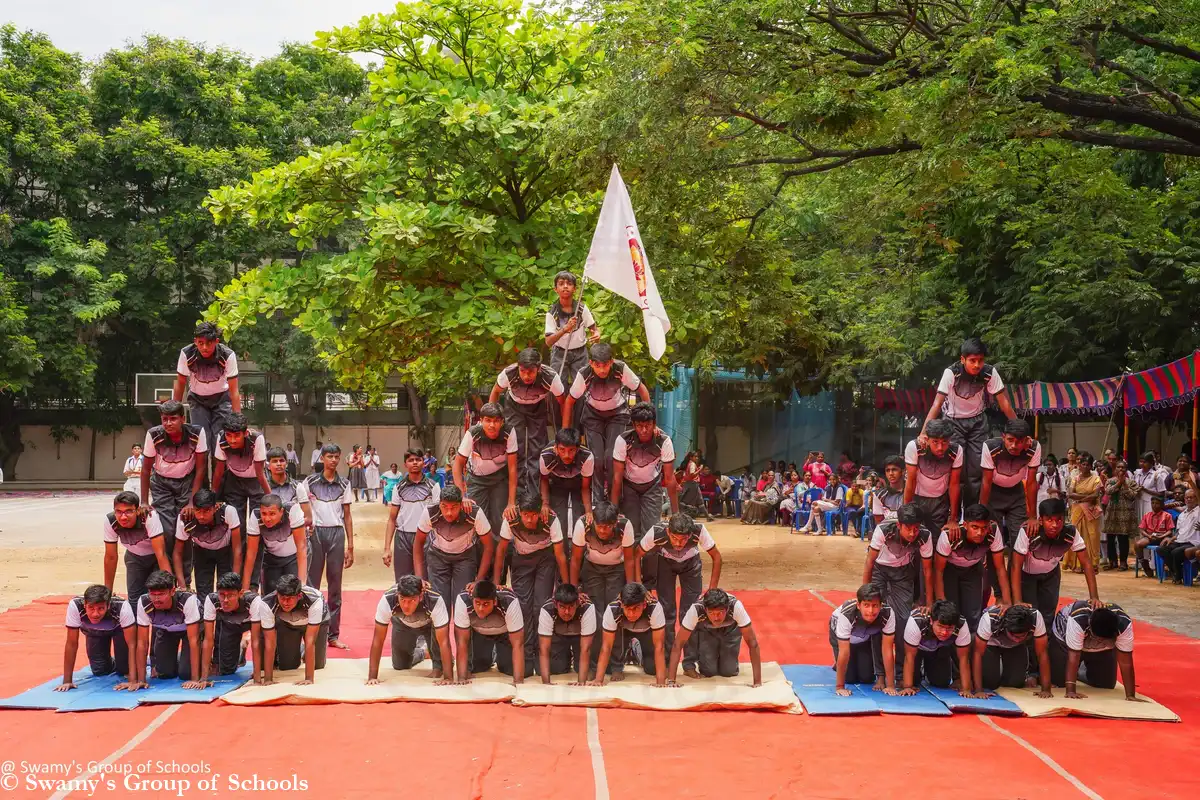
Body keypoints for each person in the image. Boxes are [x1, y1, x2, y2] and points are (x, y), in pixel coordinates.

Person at [919, 337, 1016, 505]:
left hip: (978, 422)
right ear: (962, 359)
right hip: (953, 422)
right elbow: (937, 403)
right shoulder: (951, 373)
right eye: (972, 361)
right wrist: (923, 433)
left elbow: (1004, 402)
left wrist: (1018, 430)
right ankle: (953, 512)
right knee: (958, 470)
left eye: (980, 360)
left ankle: (973, 512)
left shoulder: (988, 372)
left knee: (976, 470)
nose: (977, 365)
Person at [562, 342, 651, 503]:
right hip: (592, 416)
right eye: (598, 366)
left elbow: (642, 390)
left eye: (605, 365)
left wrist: (651, 421)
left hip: (617, 415)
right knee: (596, 458)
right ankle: (597, 501)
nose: (602, 370)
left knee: (611, 458)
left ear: (612, 361)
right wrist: (564, 433)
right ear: (591, 363)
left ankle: (614, 500)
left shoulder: (620, 369)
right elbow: (569, 401)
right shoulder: (584, 374)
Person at [637, 512, 722, 678]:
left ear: (690, 535)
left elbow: (717, 557)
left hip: (691, 564)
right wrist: (639, 585)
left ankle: (689, 664)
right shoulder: (657, 532)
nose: (678, 543)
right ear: (668, 532)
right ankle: (668, 662)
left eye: (683, 539)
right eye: (674, 538)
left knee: (690, 614)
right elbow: (636, 555)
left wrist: (712, 589)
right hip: (665, 564)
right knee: (667, 613)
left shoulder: (699, 530)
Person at [495, 491, 569, 660]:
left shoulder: (550, 519)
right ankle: (526, 654)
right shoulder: (511, 518)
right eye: (525, 515)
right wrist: (495, 582)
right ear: (519, 511)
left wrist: (567, 586)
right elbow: (500, 550)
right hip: (521, 560)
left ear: (540, 511)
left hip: (545, 560)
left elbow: (560, 556)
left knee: (541, 606)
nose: (529, 519)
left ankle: (541, 652)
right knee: (523, 607)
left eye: (533, 515)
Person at [141, 399, 207, 585]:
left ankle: (184, 580)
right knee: (167, 531)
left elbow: (201, 469)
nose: (168, 423)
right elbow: (146, 470)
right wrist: (144, 501)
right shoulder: (154, 435)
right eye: (164, 419)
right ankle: (165, 579)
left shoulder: (196, 433)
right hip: (162, 484)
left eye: (173, 419)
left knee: (185, 529)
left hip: (187, 482)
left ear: (182, 418)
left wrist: (192, 501)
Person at [1010, 498, 1099, 627]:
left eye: (1059, 520)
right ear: (1041, 520)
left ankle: (1047, 643)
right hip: (1027, 577)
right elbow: (1015, 565)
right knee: (1029, 614)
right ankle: (1029, 646)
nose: (1054, 525)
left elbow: (1086, 563)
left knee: (1048, 614)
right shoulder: (1028, 532)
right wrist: (1017, 600)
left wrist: (1094, 596)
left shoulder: (1071, 533)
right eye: (1049, 520)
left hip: (1051, 575)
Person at [863, 503, 934, 663]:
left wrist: (929, 603)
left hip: (903, 572)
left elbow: (928, 570)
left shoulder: (924, 535)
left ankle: (901, 668)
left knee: (903, 618)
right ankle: (878, 668)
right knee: (876, 614)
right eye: (908, 528)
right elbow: (869, 561)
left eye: (916, 528)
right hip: (879, 570)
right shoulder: (883, 529)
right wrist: (865, 594)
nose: (912, 533)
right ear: (898, 525)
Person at [489, 348, 566, 490]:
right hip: (514, 407)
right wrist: (491, 417)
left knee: (537, 447)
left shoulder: (550, 377)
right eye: (523, 371)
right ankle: (516, 490)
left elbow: (563, 402)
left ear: (539, 368)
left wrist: (565, 429)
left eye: (530, 372)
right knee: (515, 444)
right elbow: (495, 391)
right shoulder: (509, 373)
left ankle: (535, 489)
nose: (526, 376)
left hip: (537, 407)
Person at [304, 443, 355, 650]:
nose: (333, 460)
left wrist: (351, 546)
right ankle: (311, 633)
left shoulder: (344, 484)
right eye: (329, 456)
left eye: (336, 456)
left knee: (335, 587)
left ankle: (333, 635)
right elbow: (303, 509)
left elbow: (348, 515)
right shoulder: (310, 482)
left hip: (336, 533)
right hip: (316, 534)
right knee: (312, 586)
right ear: (322, 458)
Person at [454, 402, 520, 558]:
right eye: (488, 420)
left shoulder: (509, 433)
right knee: (477, 520)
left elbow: (512, 469)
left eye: (496, 421)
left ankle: (499, 575)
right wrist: (462, 496)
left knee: (500, 522)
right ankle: (479, 571)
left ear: (502, 422)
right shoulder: (473, 433)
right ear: (481, 420)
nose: (492, 425)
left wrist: (511, 502)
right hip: (477, 480)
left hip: (500, 480)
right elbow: (457, 464)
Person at [414, 485, 493, 608]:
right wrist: (420, 578)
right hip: (437, 557)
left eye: (454, 507)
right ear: (439, 504)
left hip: (465, 558)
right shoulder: (430, 511)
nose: (449, 512)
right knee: (438, 603)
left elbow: (488, 546)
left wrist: (479, 579)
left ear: (461, 505)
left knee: (462, 602)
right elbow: (418, 543)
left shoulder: (474, 512)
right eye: (444, 507)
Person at [934, 503, 1009, 631]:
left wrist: (1007, 601)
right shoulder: (949, 535)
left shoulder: (993, 531)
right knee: (951, 610)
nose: (980, 533)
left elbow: (1000, 567)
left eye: (984, 528)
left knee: (973, 614)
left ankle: (972, 645)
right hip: (949, 571)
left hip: (973, 569)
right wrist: (941, 603)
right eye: (975, 527)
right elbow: (938, 571)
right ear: (965, 525)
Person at [611, 401, 680, 540]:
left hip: (652, 487)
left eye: (647, 425)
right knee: (631, 531)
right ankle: (634, 561)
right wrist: (613, 510)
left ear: (654, 424)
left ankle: (649, 561)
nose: (643, 430)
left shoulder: (664, 441)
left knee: (651, 532)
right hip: (629, 486)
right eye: (639, 426)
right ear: (634, 425)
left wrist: (675, 513)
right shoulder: (623, 440)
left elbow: (670, 478)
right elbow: (617, 477)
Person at [172, 321, 241, 456]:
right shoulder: (187, 353)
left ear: (216, 341)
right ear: (195, 341)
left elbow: (234, 390)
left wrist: (238, 418)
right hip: (197, 400)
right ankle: (201, 477)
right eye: (200, 343)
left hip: (221, 399)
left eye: (209, 343)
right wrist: (175, 411)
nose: (204, 347)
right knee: (201, 440)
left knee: (219, 442)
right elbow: (180, 382)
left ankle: (219, 477)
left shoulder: (227, 355)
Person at [668, 588, 762, 686]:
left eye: (720, 613)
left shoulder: (736, 606)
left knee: (728, 671)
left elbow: (753, 643)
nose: (716, 618)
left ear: (727, 608)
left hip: (730, 630)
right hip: (706, 630)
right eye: (711, 613)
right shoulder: (696, 609)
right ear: (705, 609)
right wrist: (671, 681)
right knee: (709, 672)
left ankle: (727, 659)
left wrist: (757, 682)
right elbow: (677, 644)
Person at [1050, 601, 1141, 700]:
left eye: (1105, 641)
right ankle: (1075, 668)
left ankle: (1082, 671)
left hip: (1098, 648)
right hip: (1064, 643)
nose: (1100, 643)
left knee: (1105, 684)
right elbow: (1073, 657)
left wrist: (1130, 695)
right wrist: (1071, 691)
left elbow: (1126, 662)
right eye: (1098, 640)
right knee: (1059, 682)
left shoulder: (1124, 624)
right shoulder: (1078, 619)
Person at [210, 414, 269, 566]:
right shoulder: (222, 439)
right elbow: (218, 471)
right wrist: (213, 497)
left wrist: (271, 498)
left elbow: (260, 474)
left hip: (256, 481)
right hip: (234, 481)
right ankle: (237, 571)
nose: (232, 440)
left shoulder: (257, 440)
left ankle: (254, 580)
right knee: (237, 527)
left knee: (256, 527)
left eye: (237, 435)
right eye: (229, 435)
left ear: (245, 433)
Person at [369, 574, 452, 681]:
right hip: (403, 624)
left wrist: (448, 678)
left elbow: (444, 641)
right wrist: (372, 677)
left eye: (412, 600)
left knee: (439, 669)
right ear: (397, 594)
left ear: (421, 596)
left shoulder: (434, 600)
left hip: (430, 626)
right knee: (400, 665)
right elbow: (378, 639)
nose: (406, 606)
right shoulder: (388, 599)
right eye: (402, 599)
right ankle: (423, 652)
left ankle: (436, 658)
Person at [56, 585, 136, 691]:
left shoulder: (122, 606)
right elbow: (72, 643)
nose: (95, 614)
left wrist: (133, 680)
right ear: (85, 605)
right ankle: (114, 662)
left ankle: (126, 662)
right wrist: (67, 681)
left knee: (124, 669)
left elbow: (132, 644)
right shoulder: (75, 605)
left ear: (108, 606)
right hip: (93, 632)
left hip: (119, 630)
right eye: (91, 608)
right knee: (100, 670)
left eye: (101, 608)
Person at [590, 582, 668, 685]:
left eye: (636, 608)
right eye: (627, 608)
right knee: (609, 669)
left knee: (652, 669)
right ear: (622, 604)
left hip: (646, 631)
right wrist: (598, 680)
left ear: (644, 605)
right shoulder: (613, 608)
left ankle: (636, 651)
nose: (631, 614)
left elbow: (659, 646)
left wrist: (660, 682)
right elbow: (606, 646)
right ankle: (626, 653)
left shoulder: (654, 607)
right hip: (623, 631)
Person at [133, 570, 202, 686]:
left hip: (190, 631)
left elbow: (194, 641)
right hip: (166, 631)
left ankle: (200, 657)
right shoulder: (144, 602)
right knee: (164, 673)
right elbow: (142, 642)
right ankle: (179, 657)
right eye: (153, 594)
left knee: (186, 674)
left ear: (172, 591)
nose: (156, 599)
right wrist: (141, 680)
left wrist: (195, 679)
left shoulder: (187, 600)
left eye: (161, 594)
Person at [979, 418, 1041, 546]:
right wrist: (982, 515)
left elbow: (1031, 482)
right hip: (993, 493)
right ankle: (994, 566)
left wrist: (1033, 517)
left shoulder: (1034, 448)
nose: (1013, 446)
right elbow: (986, 481)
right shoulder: (990, 447)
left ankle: (1016, 567)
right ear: (1003, 437)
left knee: (1020, 536)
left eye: (1019, 442)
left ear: (1027, 441)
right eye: (1010, 440)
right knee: (993, 536)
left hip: (1016, 494)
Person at [453, 580, 527, 684]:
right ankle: (489, 655)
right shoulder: (463, 599)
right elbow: (461, 642)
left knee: (509, 668)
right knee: (478, 666)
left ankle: (498, 653)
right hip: (479, 633)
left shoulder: (509, 601)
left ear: (495, 601)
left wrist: (518, 682)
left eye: (486, 604)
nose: (480, 608)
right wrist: (461, 679)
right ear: (472, 599)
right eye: (477, 603)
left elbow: (518, 644)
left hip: (504, 634)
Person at [383, 449, 441, 584]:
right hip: (403, 538)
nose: (415, 462)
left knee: (426, 581)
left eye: (418, 459)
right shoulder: (398, 488)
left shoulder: (433, 487)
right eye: (411, 460)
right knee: (403, 582)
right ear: (405, 465)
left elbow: (439, 517)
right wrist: (387, 549)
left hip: (427, 538)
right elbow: (392, 519)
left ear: (423, 463)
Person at [199, 571, 269, 680]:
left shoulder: (253, 600)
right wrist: (203, 678)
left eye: (230, 595)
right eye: (222, 595)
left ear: (240, 594)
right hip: (230, 625)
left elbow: (255, 641)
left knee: (266, 666)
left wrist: (257, 674)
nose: (225, 600)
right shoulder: (212, 600)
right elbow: (208, 640)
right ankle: (241, 649)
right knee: (226, 670)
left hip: (253, 625)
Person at [259, 575, 329, 683]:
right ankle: (299, 648)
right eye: (282, 598)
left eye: (290, 599)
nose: (285, 603)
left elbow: (310, 642)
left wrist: (309, 679)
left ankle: (303, 650)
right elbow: (269, 643)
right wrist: (268, 679)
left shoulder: (314, 600)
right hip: (288, 624)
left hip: (316, 623)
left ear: (299, 595)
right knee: (288, 666)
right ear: (277, 594)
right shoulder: (267, 604)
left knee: (317, 665)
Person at [828, 585, 897, 694]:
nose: (870, 611)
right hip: (843, 638)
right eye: (866, 605)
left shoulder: (888, 614)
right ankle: (838, 663)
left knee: (867, 678)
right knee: (850, 678)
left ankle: (859, 657)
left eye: (875, 606)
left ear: (881, 605)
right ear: (858, 605)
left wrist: (891, 686)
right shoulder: (847, 615)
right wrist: (840, 687)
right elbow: (844, 652)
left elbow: (887, 650)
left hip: (864, 637)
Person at [174, 488, 241, 599]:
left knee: (226, 592)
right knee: (203, 596)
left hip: (225, 552)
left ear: (215, 508)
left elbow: (237, 548)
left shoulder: (228, 512)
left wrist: (236, 579)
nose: (201, 516)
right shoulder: (185, 519)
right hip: (201, 553)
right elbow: (177, 553)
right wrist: (182, 586)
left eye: (206, 511)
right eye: (198, 511)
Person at [103, 491, 170, 600]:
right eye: (119, 512)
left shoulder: (149, 517)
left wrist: (169, 586)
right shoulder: (110, 521)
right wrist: (107, 591)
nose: (123, 517)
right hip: (134, 557)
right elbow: (111, 557)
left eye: (128, 511)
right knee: (134, 599)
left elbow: (161, 554)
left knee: (159, 594)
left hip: (156, 558)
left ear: (138, 510)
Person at [973, 604, 1051, 696]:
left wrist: (1046, 689)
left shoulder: (1035, 617)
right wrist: (978, 691)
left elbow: (1042, 653)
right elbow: (978, 654)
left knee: (1015, 683)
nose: (1017, 639)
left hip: (1017, 647)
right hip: (990, 644)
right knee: (989, 683)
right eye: (1014, 635)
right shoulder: (990, 619)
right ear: (1005, 627)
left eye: (1021, 636)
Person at [899, 600, 973, 694]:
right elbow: (909, 656)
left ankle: (928, 670)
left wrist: (966, 689)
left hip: (939, 648)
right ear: (931, 621)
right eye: (940, 626)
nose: (944, 632)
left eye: (949, 628)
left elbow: (964, 658)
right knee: (913, 681)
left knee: (941, 682)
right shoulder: (917, 621)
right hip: (916, 649)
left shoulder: (961, 624)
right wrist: (907, 687)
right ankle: (919, 670)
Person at [904, 418, 963, 535]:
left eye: (945, 442)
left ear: (950, 440)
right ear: (927, 439)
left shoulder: (956, 451)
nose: (940, 447)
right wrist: (905, 512)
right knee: (915, 536)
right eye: (935, 442)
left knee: (937, 539)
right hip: (917, 498)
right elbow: (911, 481)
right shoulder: (914, 447)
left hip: (940, 501)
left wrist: (953, 518)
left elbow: (954, 484)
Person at [545, 270, 600, 388]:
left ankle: (580, 407)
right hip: (559, 352)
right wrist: (564, 329)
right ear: (555, 289)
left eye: (569, 283)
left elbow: (593, 328)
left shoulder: (581, 309)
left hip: (580, 352)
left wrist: (596, 333)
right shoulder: (552, 313)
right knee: (558, 387)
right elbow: (548, 342)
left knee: (582, 386)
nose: (565, 286)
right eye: (561, 283)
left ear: (574, 289)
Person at [243, 494, 307, 596]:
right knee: (270, 595)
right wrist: (245, 588)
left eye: (272, 514)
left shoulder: (292, 510)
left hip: (295, 556)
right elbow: (251, 553)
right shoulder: (255, 516)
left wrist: (302, 584)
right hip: (272, 558)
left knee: (292, 591)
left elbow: (302, 546)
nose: (267, 518)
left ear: (281, 512)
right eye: (264, 513)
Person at [539, 427, 594, 540]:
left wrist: (588, 511)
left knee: (580, 518)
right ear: (556, 447)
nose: (566, 455)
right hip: (557, 483)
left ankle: (578, 554)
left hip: (578, 484)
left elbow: (585, 487)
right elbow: (544, 479)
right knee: (558, 518)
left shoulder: (586, 457)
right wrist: (545, 503)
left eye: (571, 450)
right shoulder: (546, 456)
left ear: (578, 449)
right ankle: (560, 553)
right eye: (562, 450)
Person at [537, 582, 597, 684]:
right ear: (555, 604)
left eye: (571, 607)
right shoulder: (547, 609)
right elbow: (544, 648)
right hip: (559, 636)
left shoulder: (587, 607)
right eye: (562, 607)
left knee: (586, 672)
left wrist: (581, 683)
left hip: (580, 637)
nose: (567, 612)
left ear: (577, 603)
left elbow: (586, 649)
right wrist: (546, 683)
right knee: (553, 668)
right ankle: (566, 657)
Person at [1065, 453, 1103, 573]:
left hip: (1091, 512)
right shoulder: (1075, 478)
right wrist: (1087, 497)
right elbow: (1070, 494)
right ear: (1079, 465)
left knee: (1092, 537)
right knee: (1076, 535)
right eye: (1083, 464)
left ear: (1091, 466)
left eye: (1088, 465)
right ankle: (1076, 564)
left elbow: (1095, 495)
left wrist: (1080, 498)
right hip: (1077, 511)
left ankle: (1092, 564)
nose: (1085, 467)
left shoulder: (1096, 478)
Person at [1158, 488, 1200, 583]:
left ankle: (1177, 575)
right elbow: (1178, 532)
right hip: (1179, 541)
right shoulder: (1182, 515)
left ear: (1196, 499)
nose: (1189, 499)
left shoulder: (1198, 512)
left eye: (1191, 497)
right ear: (1184, 499)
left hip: (1192, 542)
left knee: (1175, 552)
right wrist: (1170, 538)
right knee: (1161, 549)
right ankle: (1177, 573)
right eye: (1187, 498)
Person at [1102, 461, 1139, 570]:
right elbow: (1108, 491)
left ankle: (1123, 562)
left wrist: (1124, 484)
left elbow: (1132, 496)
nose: (1121, 469)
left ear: (1126, 469)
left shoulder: (1131, 482)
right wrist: (1119, 483)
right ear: (1115, 469)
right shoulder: (1110, 481)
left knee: (1123, 538)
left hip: (1125, 512)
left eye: (1123, 467)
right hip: (1112, 512)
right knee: (1110, 538)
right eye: (1119, 467)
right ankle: (1112, 561)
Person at [1134, 494, 1175, 576]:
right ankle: (1145, 565)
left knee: (1163, 547)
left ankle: (1167, 568)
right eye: (1152, 503)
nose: (1154, 505)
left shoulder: (1167, 515)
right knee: (1137, 544)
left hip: (1163, 536)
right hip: (1150, 536)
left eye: (1157, 503)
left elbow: (1170, 531)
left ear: (1161, 505)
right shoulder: (1147, 515)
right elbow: (1142, 529)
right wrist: (1148, 536)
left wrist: (1161, 536)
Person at [1133, 451, 1170, 521]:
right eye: (1140, 462)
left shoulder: (1156, 475)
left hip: (1150, 503)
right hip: (1138, 501)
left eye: (1144, 462)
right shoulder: (1136, 473)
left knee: (1149, 522)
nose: (1142, 464)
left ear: (1151, 463)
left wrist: (1145, 490)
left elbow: (1162, 493)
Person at [871, 455, 906, 524]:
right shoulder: (879, 495)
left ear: (903, 471)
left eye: (894, 469)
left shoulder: (913, 492)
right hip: (888, 532)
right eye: (887, 470)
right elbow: (879, 522)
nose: (891, 473)